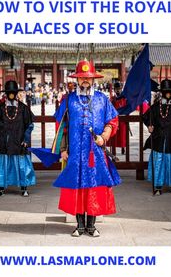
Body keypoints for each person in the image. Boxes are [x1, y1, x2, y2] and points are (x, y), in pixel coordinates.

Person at [53, 60, 121, 237]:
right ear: (77, 79)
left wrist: (104, 136)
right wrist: (63, 148)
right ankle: (79, 225)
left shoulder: (102, 99)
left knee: (94, 187)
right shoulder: (69, 100)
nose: (85, 81)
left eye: (88, 78)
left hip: (95, 153)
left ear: (93, 80)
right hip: (75, 152)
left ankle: (91, 225)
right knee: (77, 187)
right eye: (82, 77)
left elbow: (113, 120)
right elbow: (61, 126)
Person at [0, 80, 36, 197]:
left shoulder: (23, 108)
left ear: (16, 93)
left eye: (13, 92)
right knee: (1, 164)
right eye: (9, 92)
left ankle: (24, 187)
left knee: (22, 164)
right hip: (3, 140)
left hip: (19, 140)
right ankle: (1, 188)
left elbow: (30, 125)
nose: (11, 94)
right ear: (6, 94)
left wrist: (26, 139)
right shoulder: (0, 108)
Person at [143, 79, 171, 196]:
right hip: (160, 138)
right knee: (159, 161)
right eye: (165, 91)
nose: (168, 93)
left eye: (169, 91)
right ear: (162, 92)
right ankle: (158, 186)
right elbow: (146, 117)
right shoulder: (155, 107)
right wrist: (149, 125)